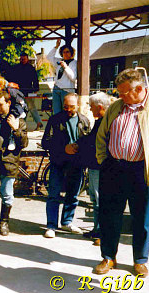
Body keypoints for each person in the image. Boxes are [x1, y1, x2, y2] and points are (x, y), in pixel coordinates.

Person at [95, 68, 149, 277]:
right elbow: (101, 136)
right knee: (109, 215)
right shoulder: (116, 107)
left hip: (144, 171)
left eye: (125, 92)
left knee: (142, 218)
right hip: (114, 168)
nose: (121, 96)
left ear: (139, 89)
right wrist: (104, 161)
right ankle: (108, 257)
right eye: (119, 92)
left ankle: (140, 260)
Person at [41, 93, 91, 238]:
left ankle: (67, 222)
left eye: (72, 107)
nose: (69, 110)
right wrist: (64, 148)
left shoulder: (84, 120)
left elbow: (87, 142)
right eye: (66, 107)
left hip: (77, 163)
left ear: (78, 105)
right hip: (58, 162)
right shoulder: (55, 120)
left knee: (73, 195)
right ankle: (51, 225)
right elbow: (46, 142)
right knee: (53, 195)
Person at [65, 92, 111, 245]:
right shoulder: (102, 121)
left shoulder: (106, 122)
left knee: (100, 200)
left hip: (99, 166)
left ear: (99, 107)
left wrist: (79, 145)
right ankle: (97, 230)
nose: (90, 110)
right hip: (95, 165)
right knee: (96, 200)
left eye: (91, 107)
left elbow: (93, 141)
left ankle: (101, 232)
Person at [0, 91, 28, 235]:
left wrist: (16, 129)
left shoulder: (18, 120)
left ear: (9, 103)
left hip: (9, 163)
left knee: (7, 194)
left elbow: (24, 143)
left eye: (1, 104)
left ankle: (4, 222)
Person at [8, 53, 43, 129]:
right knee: (23, 108)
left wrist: (35, 89)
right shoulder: (16, 68)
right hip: (18, 92)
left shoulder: (31, 68)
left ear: (27, 59)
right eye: (21, 59)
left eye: (23, 59)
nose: (22, 60)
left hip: (28, 91)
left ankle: (36, 122)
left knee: (29, 108)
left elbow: (35, 80)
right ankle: (28, 124)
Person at [47, 39, 77, 115]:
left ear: (71, 53)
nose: (65, 54)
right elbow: (49, 57)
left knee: (66, 112)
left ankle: (65, 126)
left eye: (67, 52)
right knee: (56, 112)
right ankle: (57, 126)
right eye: (64, 52)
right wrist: (56, 46)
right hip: (56, 88)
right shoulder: (60, 61)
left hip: (67, 90)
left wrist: (65, 67)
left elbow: (73, 77)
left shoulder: (74, 63)